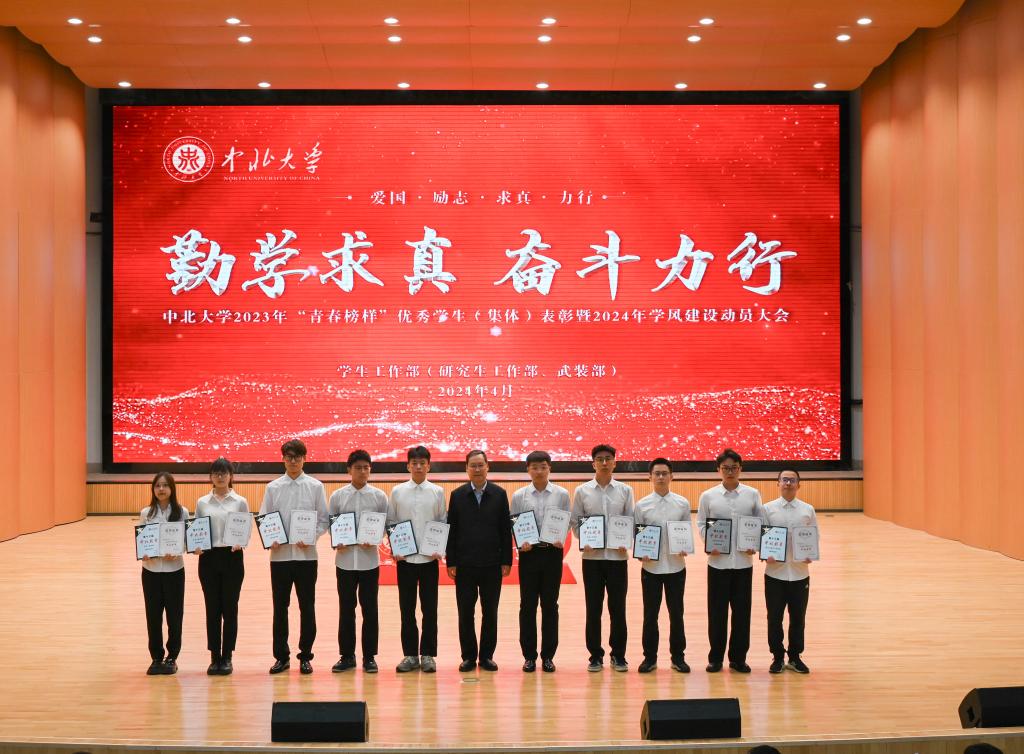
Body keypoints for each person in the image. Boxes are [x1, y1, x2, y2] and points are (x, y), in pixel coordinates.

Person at [259, 438, 328, 675]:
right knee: (280, 608)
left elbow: (323, 520)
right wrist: (271, 537)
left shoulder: (315, 486)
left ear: (304, 459)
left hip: (307, 557)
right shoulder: (273, 487)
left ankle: (305, 656)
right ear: (283, 459)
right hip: (279, 557)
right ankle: (281, 657)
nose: (293, 461)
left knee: (307, 607)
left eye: (297, 457)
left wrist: (312, 536)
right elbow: (265, 518)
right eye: (289, 457)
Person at [697, 448, 765, 673]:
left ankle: (738, 659)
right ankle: (715, 658)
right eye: (725, 468)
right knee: (716, 613)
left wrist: (755, 545)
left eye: (734, 468)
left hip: (744, 563)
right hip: (717, 564)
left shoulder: (752, 494)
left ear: (740, 469)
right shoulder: (708, 496)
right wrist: (709, 543)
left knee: (742, 613)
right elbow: (701, 524)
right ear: (718, 469)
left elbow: (759, 523)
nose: (730, 472)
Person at [446, 450, 513, 672]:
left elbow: (505, 530)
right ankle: (468, 656)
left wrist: (506, 560)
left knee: (490, 612)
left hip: (492, 564)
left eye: (480, 465)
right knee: (465, 613)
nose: (477, 469)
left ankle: (486, 657)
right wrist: (451, 561)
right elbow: (451, 531)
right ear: (466, 469)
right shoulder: (457, 495)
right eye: (472, 465)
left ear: (487, 467)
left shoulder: (499, 494)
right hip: (464, 565)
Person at [571, 444, 635, 672]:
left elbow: (630, 520)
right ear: (593, 464)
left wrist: (625, 540)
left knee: (618, 609)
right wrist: (583, 538)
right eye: (600, 459)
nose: (604, 462)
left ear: (615, 462)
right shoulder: (582, 491)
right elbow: (575, 521)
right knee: (593, 609)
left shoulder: (625, 490)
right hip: (592, 558)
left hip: (618, 558)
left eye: (608, 458)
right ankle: (595, 656)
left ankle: (619, 655)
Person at [388, 445, 447, 673]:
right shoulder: (397, 492)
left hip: (429, 560)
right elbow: (391, 522)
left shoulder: (437, 492)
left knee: (430, 609)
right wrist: (396, 548)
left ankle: (428, 654)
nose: (419, 466)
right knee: (407, 609)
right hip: (405, 560)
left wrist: (439, 547)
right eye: (415, 463)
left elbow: (442, 522)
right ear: (408, 466)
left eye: (423, 463)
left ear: (429, 466)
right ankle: (410, 655)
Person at [328, 449, 388, 674]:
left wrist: (376, 538)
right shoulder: (338, 496)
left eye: (366, 468)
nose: (362, 472)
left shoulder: (379, 497)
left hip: (369, 561)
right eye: (358, 468)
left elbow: (384, 525)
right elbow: (331, 525)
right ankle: (347, 656)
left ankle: (369, 657)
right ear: (349, 470)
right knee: (346, 609)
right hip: (344, 561)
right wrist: (337, 540)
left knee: (370, 609)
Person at [510, 450, 570, 673]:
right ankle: (529, 656)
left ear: (549, 468)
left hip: (552, 554)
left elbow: (566, 521)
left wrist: (561, 537)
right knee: (527, 605)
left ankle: (548, 656)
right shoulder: (519, 495)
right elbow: (515, 523)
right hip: (529, 554)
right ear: (528, 470)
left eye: (543, 467)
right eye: (534, 467)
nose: (539, 471)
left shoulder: (562, 494)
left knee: (550, 605)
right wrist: (521, 542)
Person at [634, 458, 691, 673]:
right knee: (650, 615)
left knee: (677, 614)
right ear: (649, 477)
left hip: (676, 567)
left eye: (664, 473)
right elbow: (637, 534)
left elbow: (685, 531)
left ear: (671, 476)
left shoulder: (682, 503)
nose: (660, 477)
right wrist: (641, 552)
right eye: (656, 473)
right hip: (651, 569)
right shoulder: (641, 505)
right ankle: (649, 658)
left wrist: (685, 546)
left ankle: (678, 657)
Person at [194, 457, 248, 675]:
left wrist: (241, 541)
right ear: (211, 477)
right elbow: (197, 529)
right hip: (208, 558)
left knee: (230, 609)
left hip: (232, 557)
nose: (220, 476)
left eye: (224, 473)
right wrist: (196, 546)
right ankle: (214, 656)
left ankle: (227, 657)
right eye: (216, 473)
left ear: (231, 476)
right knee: (212, 609)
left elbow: (245, 529)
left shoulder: (240, 501)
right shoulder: (202, 502)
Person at [763, 470, 818, 674]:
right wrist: (765, 553)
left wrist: (810, 553)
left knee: (798, 619)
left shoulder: (807, 510)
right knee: (774, 618)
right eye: (784, 480)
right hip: (774, 574)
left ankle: (795, 657)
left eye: (792, 480)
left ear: (798, 485)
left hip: (800, 573)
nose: (788, 483)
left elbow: (814, 536)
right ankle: (777, 657)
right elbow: (762, 536)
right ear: (778, 483)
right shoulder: (767, 509)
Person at [140, 471, 189, 675]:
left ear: (172, 488)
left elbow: (187, 541)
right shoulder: (146, 513)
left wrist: (178, 551)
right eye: (158, 485)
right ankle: (156, 657)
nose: (161, 489)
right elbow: (142, 541)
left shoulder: (182, 512)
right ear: (153, 489)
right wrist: (144, 553)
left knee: (174, 616)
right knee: (153, 616)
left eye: (165, 485)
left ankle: (172, 657)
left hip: (174, 571)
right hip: (150, 571)